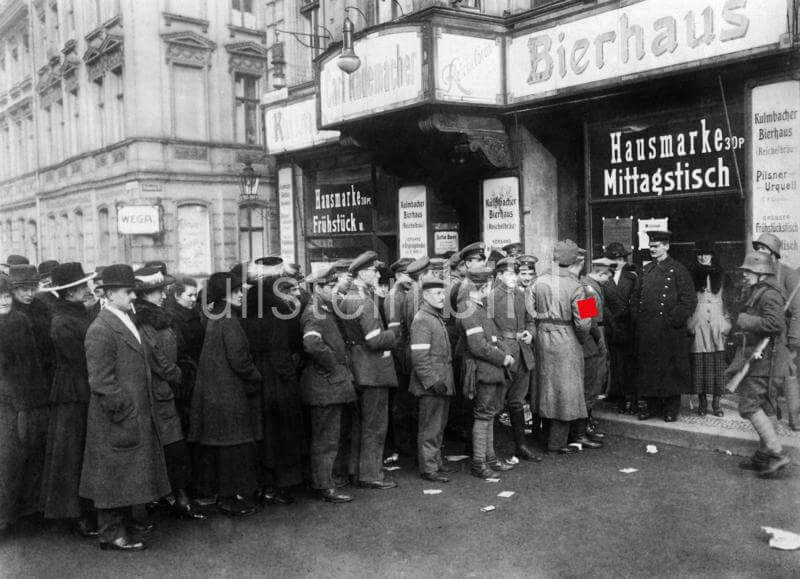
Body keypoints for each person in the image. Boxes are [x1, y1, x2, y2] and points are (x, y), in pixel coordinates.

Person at [80, 264, 170, 551]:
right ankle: (111, 534)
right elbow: (101, 381)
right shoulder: (101, 328)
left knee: (124, 474)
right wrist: (125, 410)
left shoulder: (123, 318)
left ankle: (123, 526)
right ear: (108, 294)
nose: (134, 296)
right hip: (116, 416)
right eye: (128, 291)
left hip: (129, 414)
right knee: (111, 477)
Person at [132, 267, 205, 521]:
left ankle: (170, 496)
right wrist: (177, 374)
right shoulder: (143, 320)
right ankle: (178, 499)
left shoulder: (159, 316)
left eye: (162, 290)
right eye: (157, 291)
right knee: (170, 444)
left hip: (168, 387)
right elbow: (156, 357)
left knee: (171, 443)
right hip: (159, 389)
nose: (163, 295)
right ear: (145, 294)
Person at [189, 272, 262, 517]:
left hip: (214, 392)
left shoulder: (216, 315)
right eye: (237, 290)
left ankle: (220, 496)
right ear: (224, 294)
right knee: (231, 448)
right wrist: (256, 375)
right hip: (228, 392)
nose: (242, 294)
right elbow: (239, 359)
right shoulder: (229, 319)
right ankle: (227, 498)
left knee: (219, 448)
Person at [40, 263, 98, 536]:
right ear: (71, 292)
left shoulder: (75, 313)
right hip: (72, 394)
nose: (88, 290)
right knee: (72, 456)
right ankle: (77, 516)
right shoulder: (62, 321)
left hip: (81, 390)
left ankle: (87, 511)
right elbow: (80, 360)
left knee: (82, 453)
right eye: (83, 287)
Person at [243, 267, 306, 506]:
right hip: (277, 381)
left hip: (259, 378)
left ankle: (264, 485)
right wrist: (290, 374)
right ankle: (277, 486)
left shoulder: (248, 313)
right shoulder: (277, 313)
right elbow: (280, 350)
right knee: (281, 434)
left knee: (264, 434)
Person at [338, 250, 399, 490]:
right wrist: (394, 334)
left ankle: (355, 470)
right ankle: (371, 474)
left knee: (360, 424)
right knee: (375, 425)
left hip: (357, 366)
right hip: (373, 370)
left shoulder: (348, 298)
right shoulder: (364, 301)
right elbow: (374, 339)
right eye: (374, 270)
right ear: (363, 273)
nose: (377, 274)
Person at [730, 252, 791, 478]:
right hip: (762, 357)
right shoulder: (761, 291)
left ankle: (776, 453)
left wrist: (745, 320)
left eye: (747, 272)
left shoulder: (769, 295)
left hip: (765, 360)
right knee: (765, 406)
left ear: (760, 273)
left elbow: (775, 324)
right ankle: (764, 457)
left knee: (748, 406)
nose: (744, 275)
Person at [300, 266, 357, 503]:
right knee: (326, 439)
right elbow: (312, 345)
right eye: (331, 287)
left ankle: (328, 479)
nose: (335, 291)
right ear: (318, 288)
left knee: (331, 436)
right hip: (324, 384)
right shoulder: (315, 313)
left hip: (329, 385)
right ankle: (324, 485)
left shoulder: (323, 309)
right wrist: (333, 366)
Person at [531, 240, 594, 454]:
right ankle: (557, 442)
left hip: (541, 337)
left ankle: (543, 436)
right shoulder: (578, 286)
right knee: (566, 390)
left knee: (545, 388)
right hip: (567, 339)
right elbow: (585, 322)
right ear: (575, 260)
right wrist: (581, 340)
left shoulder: (537, 281)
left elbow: (528, 312)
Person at [0, 273, 49, 534]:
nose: (4, 300)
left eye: (7, 295)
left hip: (28, 399)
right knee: (6, 461)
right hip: (5, 403)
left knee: (27, 455)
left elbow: (33, 363)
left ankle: (23, 512)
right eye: (0, 296)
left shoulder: (19, 320)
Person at [633, 230, 697, 422]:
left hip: (669, 331)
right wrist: (637, 317)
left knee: (670, 371)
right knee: (649, 369)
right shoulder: (646, 270)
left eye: (657, 245)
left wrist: (672, 320)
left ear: (667, 246)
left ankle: (670, 409)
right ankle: (651, 407)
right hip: (647, 329)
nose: (653, 249)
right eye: (651, 246)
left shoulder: (678, 270)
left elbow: (689, 300)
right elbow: (636, 297)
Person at [458, 267, 515, 478]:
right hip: (483, 369)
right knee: (483, 416)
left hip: (490, 369)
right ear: (484, 285)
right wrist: (503, 357)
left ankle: (489, 459)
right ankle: (479, 463)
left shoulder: (477, 307)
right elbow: (477, 346)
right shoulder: (470, 309)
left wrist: (503, 350)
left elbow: (493, 337)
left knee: (489, 414)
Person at [489, 257, 540, 461]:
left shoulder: (521, 295)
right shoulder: (491, 298)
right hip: (505, 355)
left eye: (515, 274)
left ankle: (521, 446)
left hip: (523, 353)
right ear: (499, 275)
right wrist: (502, 350)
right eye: (509, 274)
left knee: (517, 402)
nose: (513, 278)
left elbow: (530, 321)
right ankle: (490, 451)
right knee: (495, 403)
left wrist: (530, 333)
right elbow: (489, 329)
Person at [752, 233, 800, 430]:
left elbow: (797, 309)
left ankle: (795, 417)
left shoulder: (788, 274)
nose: (759, 253)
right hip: (763, 333)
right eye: (758, 249)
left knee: (789, 375)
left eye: (763, 249)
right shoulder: (757, 273)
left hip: (783, 335)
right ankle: (772, 414)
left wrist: (793, 338)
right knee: (766, 375)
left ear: (773, 253)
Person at [409, 277, 455, 483]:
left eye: (442, 293)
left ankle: (435, 462)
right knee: (430, 427)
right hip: (432, 385)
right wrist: (431, 380)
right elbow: (419, 357)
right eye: (437, 293)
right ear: (425, 296)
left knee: (439, 425)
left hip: (442, 382)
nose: (442, 296)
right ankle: (428, 468)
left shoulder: (433, 317)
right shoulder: (422, 319)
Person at [687, 241, 733, 417]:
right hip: (698, 325)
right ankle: (702, 403)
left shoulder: (722, 275)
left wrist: (727, 324)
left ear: (712, 255)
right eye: (699, 253)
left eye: (706, 253)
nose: (702, 257)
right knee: (699, 366)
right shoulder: (690, 275)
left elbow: (730, 301)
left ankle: (716, 403)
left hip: (717, 324)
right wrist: (689, 324)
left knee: (717, 365)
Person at [581, 257, 615, 443]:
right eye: (607, 276)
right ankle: (585, 423)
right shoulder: (587, 288)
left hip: (597, 331)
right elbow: (587, 319)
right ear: (601, 273)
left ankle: (587, 420)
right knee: (593, 380)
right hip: (593, 335)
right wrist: (599, 341)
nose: (609, 280)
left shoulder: (592, 286)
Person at [602, 242, 639, 414]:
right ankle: (620, 399)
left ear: (624, 260)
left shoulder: (633, 278)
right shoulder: (601, 278)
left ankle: (634, 400)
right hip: (611, 327)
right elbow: (598, 304)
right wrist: (611, 319)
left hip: (629, 326)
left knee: (631, 365)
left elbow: (636, 300)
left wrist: (628, 317)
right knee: (616, 363)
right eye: (612, 259)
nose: (617, 262)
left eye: (620, 259)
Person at [164, 276, 204, 433]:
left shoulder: (193, 312)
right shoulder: (173, 317)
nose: (194, 299)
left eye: (195, 295)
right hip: (186, 376)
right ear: (176, 296)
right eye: (190, 295)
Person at [385, 258, 416, 458]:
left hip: (407, 351)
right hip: (402, 354)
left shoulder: (405, 294)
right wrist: (402, 359)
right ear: (397, 275)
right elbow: (395, 332)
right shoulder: (394, 297)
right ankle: (402, 443)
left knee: (408, 401)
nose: (410, 279)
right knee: (402, 401)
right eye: (406, 274)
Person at [9, 264, 55, 390]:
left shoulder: (42, 306)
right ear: (13, 290)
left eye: (33, 289)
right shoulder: (8, 312)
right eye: (24, 289)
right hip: (20, 378)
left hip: (46, 371)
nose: (30, 294)